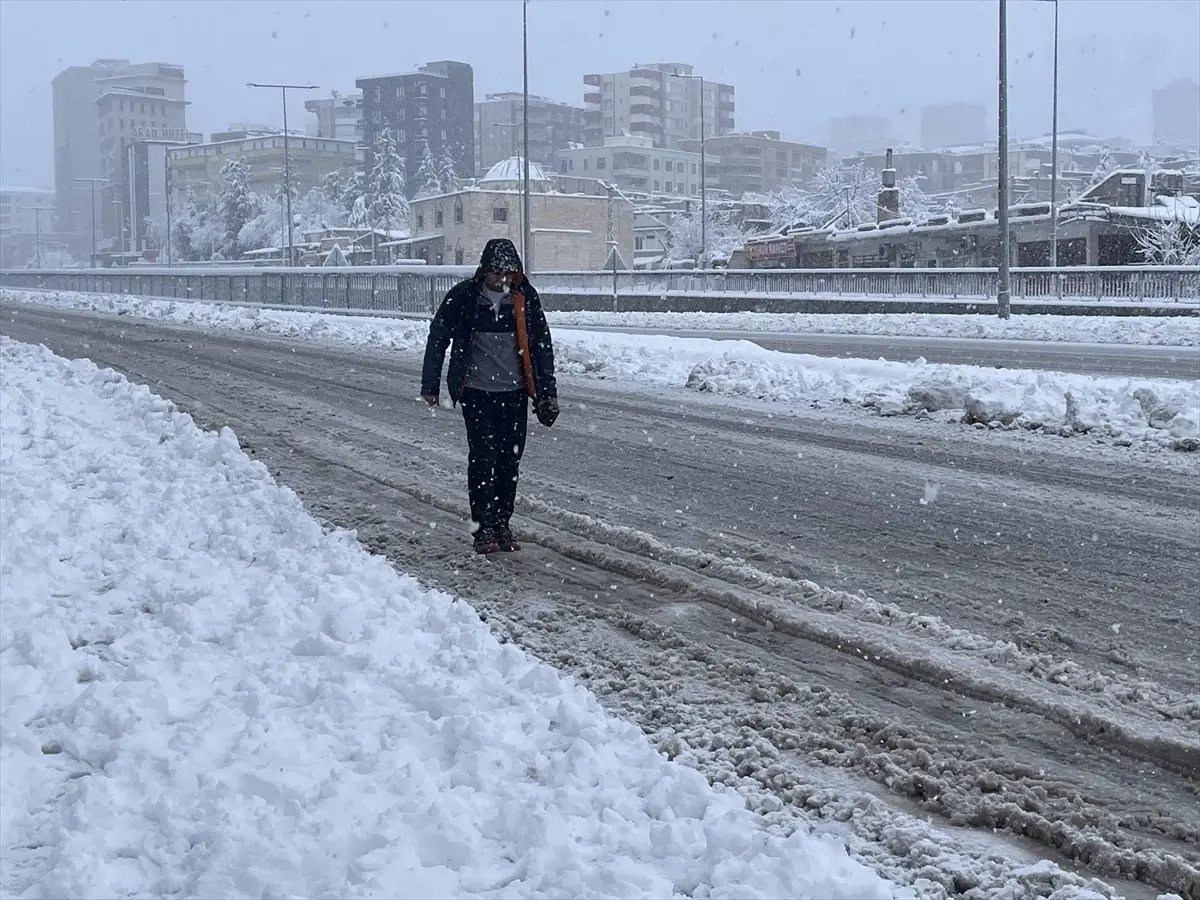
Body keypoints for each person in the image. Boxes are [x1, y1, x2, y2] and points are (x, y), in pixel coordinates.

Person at [421, 238, 559, 555]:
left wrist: (546, 392)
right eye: (497, 273)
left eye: (509, 273)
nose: (503, 280)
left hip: (514, 394)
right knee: (483, 458)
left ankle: (502, 523)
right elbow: (438, 336)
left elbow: (542, 346)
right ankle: (483, 528)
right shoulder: (464, 298)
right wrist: (431, 383)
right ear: (484, 271)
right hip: (476, 393)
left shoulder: (524, 299)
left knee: (509, 460)